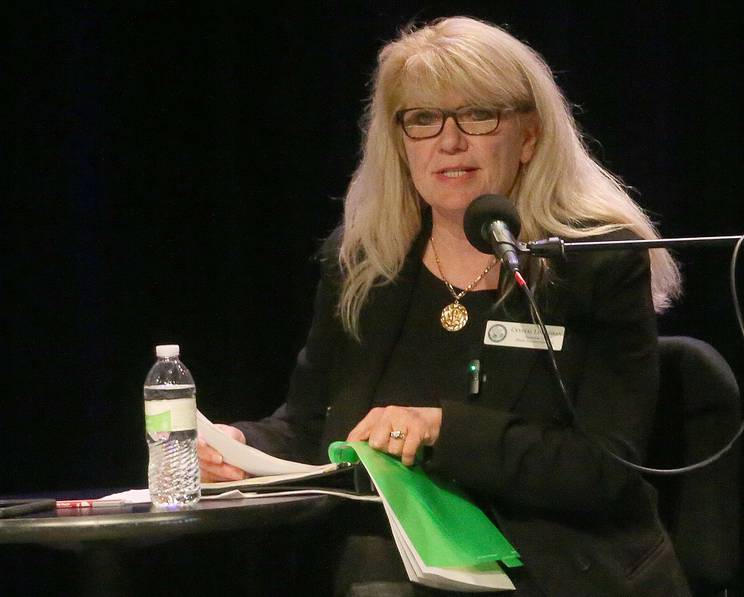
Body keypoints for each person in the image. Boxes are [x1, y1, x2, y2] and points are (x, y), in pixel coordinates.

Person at [199, 16, 689, 596]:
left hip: (553, 562)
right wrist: (239, 446)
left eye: (478, 116)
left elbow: (601, 469)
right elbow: (313, 426)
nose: (448, 142)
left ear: (528, 135)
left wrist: (441, 429)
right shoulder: (365, 263)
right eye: (423, 120)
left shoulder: (592, 262)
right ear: (399, 142)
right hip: (392, 561)